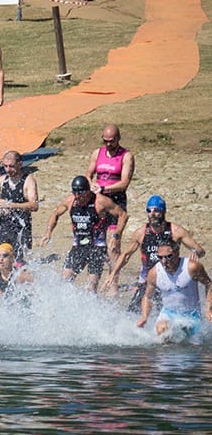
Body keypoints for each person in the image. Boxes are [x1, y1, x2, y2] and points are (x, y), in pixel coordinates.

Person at [104, 195, 204, 307]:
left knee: (169, 313)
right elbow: (126, 255)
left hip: (170, 280)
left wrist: (195, 252)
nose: (152, 214)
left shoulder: (175, 231)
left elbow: (200, 250)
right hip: (147, 281)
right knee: (133, 313)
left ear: (163, 211)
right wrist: (113, 273)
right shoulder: (141, 233)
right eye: (149, 211)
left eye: (156, 210)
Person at [41, 175, 128, 292]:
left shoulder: (100, 201)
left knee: (91, 288)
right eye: (75, 193)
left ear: (88, 191)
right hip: (78, 247)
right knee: (64, 281)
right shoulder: (70, 201)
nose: (77, 196)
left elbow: (123, 215)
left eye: (80, 193)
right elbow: (55, 214)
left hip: (97, 248)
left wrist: (116, 235)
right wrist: (48, 232)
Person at [136, 239, 212, 339]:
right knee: (162, 330)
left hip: (191, 315)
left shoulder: (192, 267)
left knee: (193, 346)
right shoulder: (154, 273)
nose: (164, 261)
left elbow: (209, 284)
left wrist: (208, 308)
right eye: (160, 257)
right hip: (168, 313)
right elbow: (147, 297)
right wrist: (144, 316)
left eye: (169, 256)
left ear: (177, 253)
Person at [85, 123, 134, 263]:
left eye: (112, 141)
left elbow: (125, 183)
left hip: (116, 201)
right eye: (105, 141)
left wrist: (105, 189)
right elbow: (88, 174)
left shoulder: (126, 156)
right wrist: (91, 184)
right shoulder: (97, 153)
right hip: (98, 201)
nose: (108, 144)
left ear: (118, 138)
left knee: (114, 243)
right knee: (96, 241)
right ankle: (94, 278)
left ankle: (114, 281)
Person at [0, 150, 38, 264]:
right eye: (5, 166)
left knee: (19, 267)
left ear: (19, 164)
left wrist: (11, 205)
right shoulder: (3, 179)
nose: (8, 169)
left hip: (21, 229)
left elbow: (34, 205)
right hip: (4, 228)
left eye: (11, 166)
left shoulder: (28, 180)